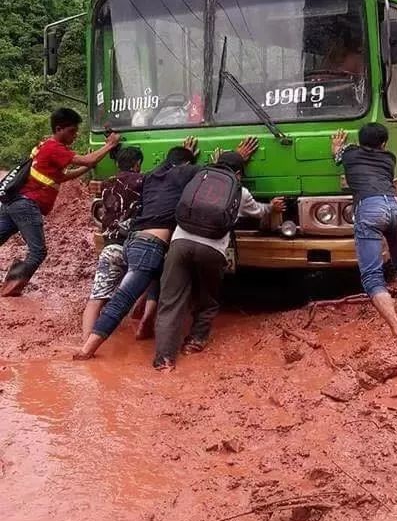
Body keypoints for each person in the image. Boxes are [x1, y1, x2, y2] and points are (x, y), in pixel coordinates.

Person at [73, 137, 259, 360]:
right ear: (185, 166)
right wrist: (233, 158)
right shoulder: (185, 174)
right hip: (150, 247)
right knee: (123, 299)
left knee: (159, 281)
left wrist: (183, 154)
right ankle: (87, 350)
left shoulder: (151, 176)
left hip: (135, 241)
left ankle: (145, 325)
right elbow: (214, 177)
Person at [153, 151, 285, 371]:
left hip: (180, 244)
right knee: (207, 298)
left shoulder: (197, 177)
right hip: (212, 250)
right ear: (239, 173)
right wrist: (272, 207)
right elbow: (259, 212)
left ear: (215, 163)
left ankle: (164, 359)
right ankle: (195, 341)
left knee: (170, 302)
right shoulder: (239, 191)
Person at [332, 122, 397, 339]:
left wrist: (337, 145)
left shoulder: (350, 154)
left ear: (360, 142)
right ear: (384, 143)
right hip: (396, 206)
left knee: (372, 276)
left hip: (370, 209)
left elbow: (337, 155)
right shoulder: (389, 158)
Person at [0, 108, 120, 296]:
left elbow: (62, 177)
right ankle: (9, 290)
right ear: (59, 129)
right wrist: (110, 145)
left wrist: (89, 164)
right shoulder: (54, 148)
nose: (75, 135)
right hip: (26, 205)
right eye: (72, 131)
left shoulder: (45, 145)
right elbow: (88, 160)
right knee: (38, 252)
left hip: (14, 203)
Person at [81, 145, 147, 340]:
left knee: (96, 298)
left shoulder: (106, 184)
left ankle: (86, 342)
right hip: (137, 247)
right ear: (137, 165)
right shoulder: (143, 181)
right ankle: (141, 322)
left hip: (112, 247)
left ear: (118, 164)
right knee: (152, 279)